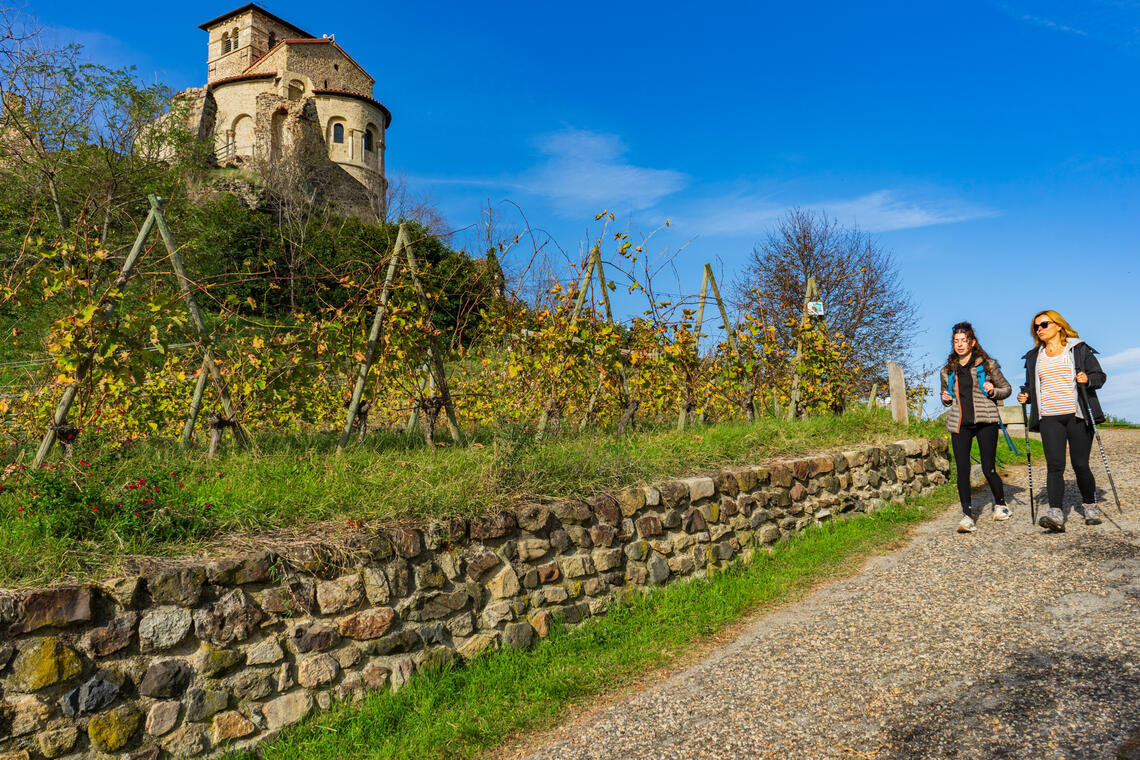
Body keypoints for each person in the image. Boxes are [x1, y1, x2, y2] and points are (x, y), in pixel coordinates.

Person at [1016, 310, 1107, 531]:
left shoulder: (1078, 349)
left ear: (1058, 326)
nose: (1039, 329)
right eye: (1036, 327)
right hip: (1049, 417)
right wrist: (1025, 395)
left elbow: (1099, 376)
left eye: (1044, 324)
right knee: (1054, 465)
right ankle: (1055, 512)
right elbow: (1032, 385)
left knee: (1080, 464)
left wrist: (1087, 379)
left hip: (1077, 415)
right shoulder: (1034, 356)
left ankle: (1089, 505)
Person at [939, 321, 1013, 533]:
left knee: (988, 467)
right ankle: (967, 516)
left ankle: (1001, 506)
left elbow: (1006, 389)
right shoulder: (947, 370)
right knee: (962, 470)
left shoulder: (987, 365)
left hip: (985, 421)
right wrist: (945, 398)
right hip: (960, 423)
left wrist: (993, 391)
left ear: (972, 342)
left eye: (963, 341)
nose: (959, 345)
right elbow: (947, 396)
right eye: (956, 341)